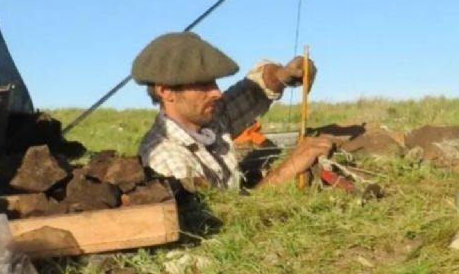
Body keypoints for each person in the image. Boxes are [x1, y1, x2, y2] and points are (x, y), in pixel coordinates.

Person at [132, 32, 333, 191]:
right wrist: (288, 169)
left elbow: (253, 91)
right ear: (166, 91)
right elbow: (223, 223)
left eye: (213, 82)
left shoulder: (208, 119)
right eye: (202, 84)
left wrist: (284, 74)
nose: (216, 92)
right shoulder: (166, 157)